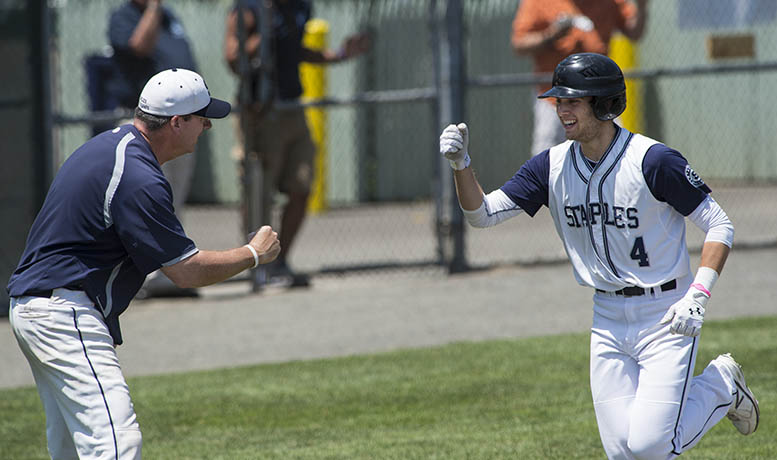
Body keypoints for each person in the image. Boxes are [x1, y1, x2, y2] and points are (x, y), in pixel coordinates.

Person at [439, 53, 759, 459]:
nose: (562, 110)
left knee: (649, 447)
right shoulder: (551, 165)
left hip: (666, 315)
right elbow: (482, 215)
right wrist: (461, 165)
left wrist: (699, 294)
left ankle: (721, 386)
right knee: (622, 454)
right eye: (559, 101)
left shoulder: (653, 161)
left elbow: (720, 225)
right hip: (606, 318)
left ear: (605, 104)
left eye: (573, 101)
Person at [7, 68, 280, 459]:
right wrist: (253, 253)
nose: (207, 126)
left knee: (72, 448)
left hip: (41, 307)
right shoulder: (138, 176)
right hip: (63, 313)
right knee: (117, 442)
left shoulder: (111, 145)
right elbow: (185, 270)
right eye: (202, 118)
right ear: (176, 122)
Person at [224, 0, 369, 287]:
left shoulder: (300, 7)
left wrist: (339, 54)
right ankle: (258, 265)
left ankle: (279, 262)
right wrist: (263, 31)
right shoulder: (249, 9)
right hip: (259, 110)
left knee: (301, 185)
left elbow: (294, 50)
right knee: (258, 192)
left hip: (293, 108)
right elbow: (232, 59)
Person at [109, 0, 203, 297]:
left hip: (178, 124)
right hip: (147, 124)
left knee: (171, 201)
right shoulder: (124, 16)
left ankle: (167, 273)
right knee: (146, 199)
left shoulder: (169, 16)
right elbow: (139, 45)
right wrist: (153, 6)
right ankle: (143, 277)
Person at [511, 0, 648, 156]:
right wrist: (551, 36)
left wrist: (642, 6)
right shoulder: (538, 2)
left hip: (598, 97)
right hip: (555, 99)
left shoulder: (610, 3)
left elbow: (634, 32)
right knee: (548, 154)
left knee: (619, 150)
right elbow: (519, 44)